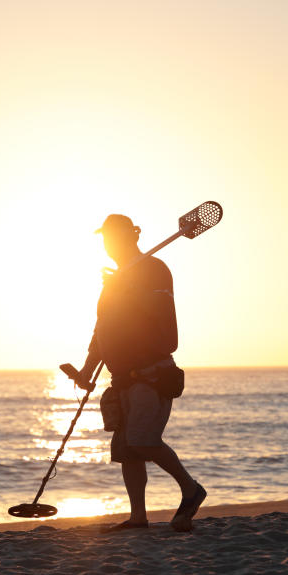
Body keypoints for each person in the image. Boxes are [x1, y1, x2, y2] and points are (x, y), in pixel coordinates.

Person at [67, 213, 206, 532]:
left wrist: (126, 287)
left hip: (151, 373)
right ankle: (138, 517)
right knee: (127, 450)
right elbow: (101, 330)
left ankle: (190, 489)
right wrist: (87, 371)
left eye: (113, 237)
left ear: (132, 236)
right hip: (122, 380)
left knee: (142, 439)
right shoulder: (114, 280)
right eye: (105, 238)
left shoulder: (153, 271)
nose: (108, 244)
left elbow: (163, 324)